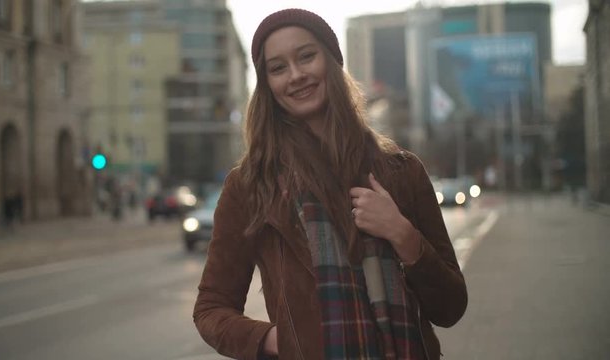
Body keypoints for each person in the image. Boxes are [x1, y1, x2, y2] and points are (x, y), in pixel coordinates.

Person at [193, 8, 467, 360]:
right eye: (278, 68)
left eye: (306, 56)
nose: (295, 75)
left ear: (332, 59)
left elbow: (450, 308)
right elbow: (211, 308)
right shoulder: (251, 185)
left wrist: (403, 235)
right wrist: (277, 340)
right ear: (268, 85)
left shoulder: (402, 172)